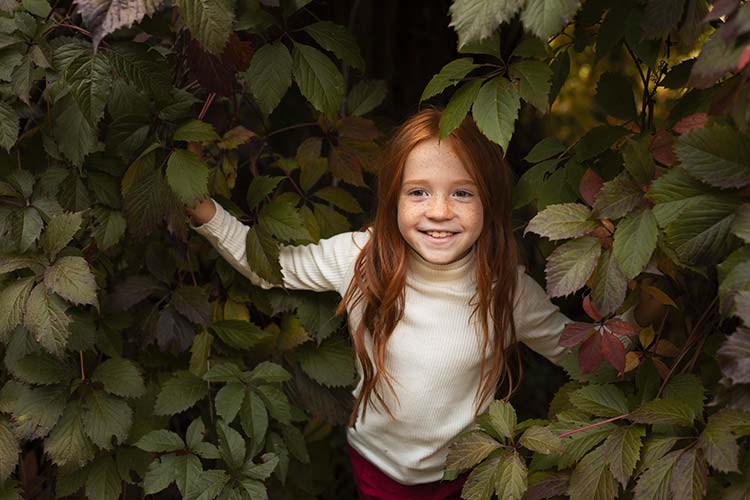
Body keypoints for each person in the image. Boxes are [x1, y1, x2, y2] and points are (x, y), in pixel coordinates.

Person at [185, 108, 658, 500]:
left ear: (489, 202)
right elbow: (274, 268)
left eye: (462, 193)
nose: (438, 210)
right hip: (376, 463)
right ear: (393, 198)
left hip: (462, 474)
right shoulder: (360, 259)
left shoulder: (504, 289)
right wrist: (205, 211)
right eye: (418, 192)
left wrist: (638, 309)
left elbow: (577, 353)